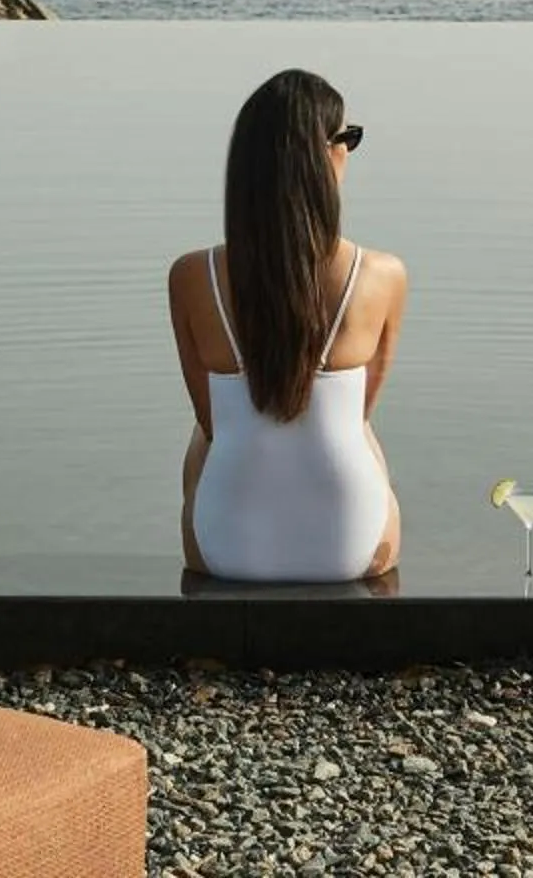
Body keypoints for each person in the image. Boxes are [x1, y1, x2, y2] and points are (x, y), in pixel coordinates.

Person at [169, 68, 407, 581]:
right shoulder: (383, 275)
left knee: (204, 437)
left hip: (223, 551)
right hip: (353, 551)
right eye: (350, 138)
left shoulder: (192, 277)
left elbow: (212, 424)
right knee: (356, 428)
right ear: (326, 154)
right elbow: (361, 411)